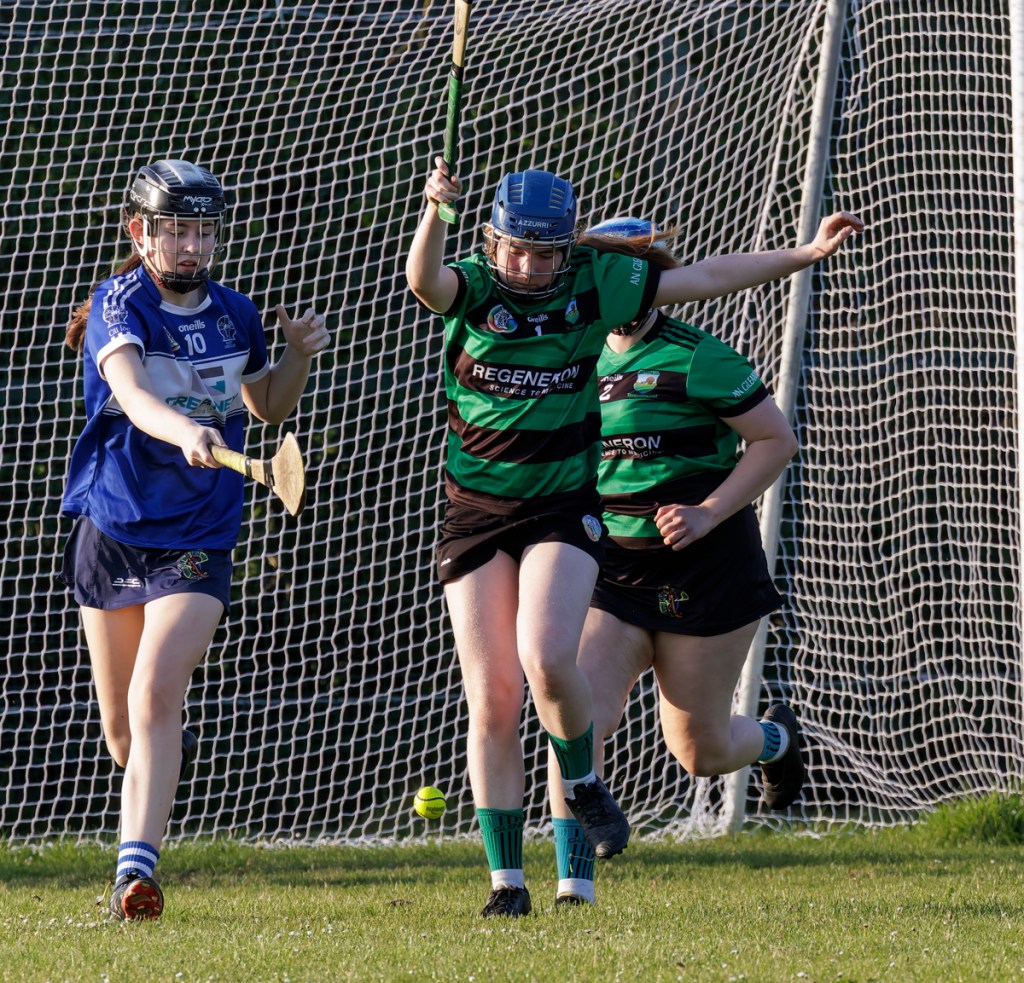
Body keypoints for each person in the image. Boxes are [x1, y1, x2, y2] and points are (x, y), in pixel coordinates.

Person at [406, 156, 862, 918]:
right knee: (498, 696)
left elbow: (712, 278)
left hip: (620, 538)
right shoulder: (480, 287)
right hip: (511, 526)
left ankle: (618, 777)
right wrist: (436, 209)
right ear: (491, 241)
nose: (529, 266)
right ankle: (532, 886)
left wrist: (804, 254)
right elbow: (424, 281)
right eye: (516, 249)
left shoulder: (610, 299)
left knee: (671, 733)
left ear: (571, 255)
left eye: (545, 253)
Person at [546, 216, 861, 907]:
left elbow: (776, 441)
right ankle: (575, 886)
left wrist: (708, 512)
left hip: (707, 570)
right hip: (613, 573)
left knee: (700, 751)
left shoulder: (697, 356)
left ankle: (776, 740)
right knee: (576, 715)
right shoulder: (571, 357)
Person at [59, 159, 330, 921]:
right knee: (124, 732)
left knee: (156, 691)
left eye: (203, 231)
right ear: (140, 231)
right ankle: (160, 758)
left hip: (201, 532)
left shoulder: (236, 313)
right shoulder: (119, 303)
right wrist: (185, 429)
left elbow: (267, 406)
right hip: (114, 525)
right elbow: (134, 393)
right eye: (176, 229)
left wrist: (297, 355)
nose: (191, 245)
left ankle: (134, 876)